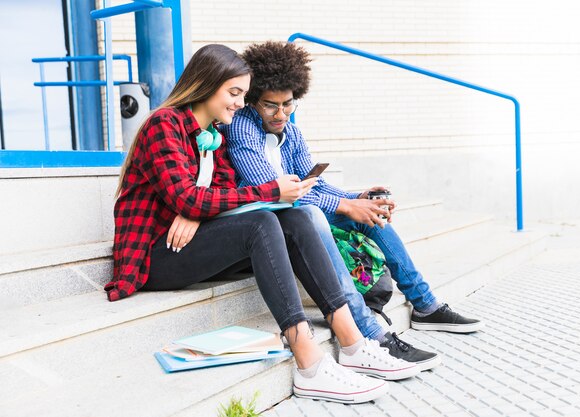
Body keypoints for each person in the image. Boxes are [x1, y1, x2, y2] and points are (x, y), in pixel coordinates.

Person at [105, 44, 428, 404]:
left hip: (189, 243)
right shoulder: (162, 125)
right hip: (154, 256)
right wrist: (202, 202)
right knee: (261, 220)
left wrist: (194, 207)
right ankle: (309, 364)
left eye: (242, 94)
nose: (240, 104)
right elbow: (189, 197)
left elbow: (216, 191)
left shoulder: (211, 134)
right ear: (205, 85)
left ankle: (352, 342)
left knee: (294, 216)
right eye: (234, 93)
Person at [226, 41, 484, 349]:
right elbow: (273, 193)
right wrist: (346, 206)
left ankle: (425, 304)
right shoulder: (243, 128)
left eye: (288, 104)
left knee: (370, 215)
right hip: (267, 221)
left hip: (298, 211)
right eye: (271, 105)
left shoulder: (291, 132)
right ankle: (366, 330)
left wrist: (359, 197)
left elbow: (314, 184)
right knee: (320, 216)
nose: (281, 114)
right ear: (254, 99)